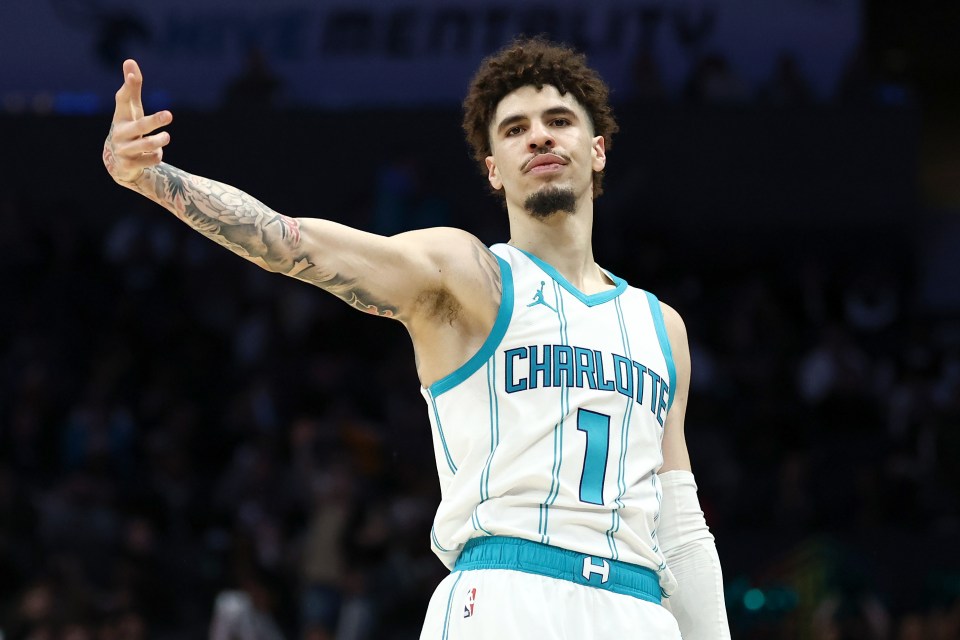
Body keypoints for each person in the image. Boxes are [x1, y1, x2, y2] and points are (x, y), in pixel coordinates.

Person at [103, 37, 730, 639]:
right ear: (493, 171)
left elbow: (679, 528)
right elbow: (292, 241)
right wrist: (152, 179)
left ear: (597, 150)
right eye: (514, 129)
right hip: (509, 592)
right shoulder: (469, 277)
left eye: (558, 120)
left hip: (637, 607)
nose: (539, 135)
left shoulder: (661, 327)